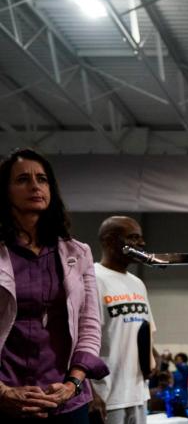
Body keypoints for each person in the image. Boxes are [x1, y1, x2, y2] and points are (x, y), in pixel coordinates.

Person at [0, 148, 109, 422]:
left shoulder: (78, 252)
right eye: (23, 179)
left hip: (66, 401)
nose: (35, 186)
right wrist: (2, 393)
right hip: (6, 398)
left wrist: (73, 384)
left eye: (42, 179)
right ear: (5, 191)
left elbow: (89, 325)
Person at [91, 216, 155, 424]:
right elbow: (77, 341)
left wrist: (154, 360)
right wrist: (89, 392)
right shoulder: (92, 278)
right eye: (133, 238)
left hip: (137, 394)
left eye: (141, 238)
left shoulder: (137, 284)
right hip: (106, 396)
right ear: (110, 241)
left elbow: (145, 330)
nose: (142, 244)